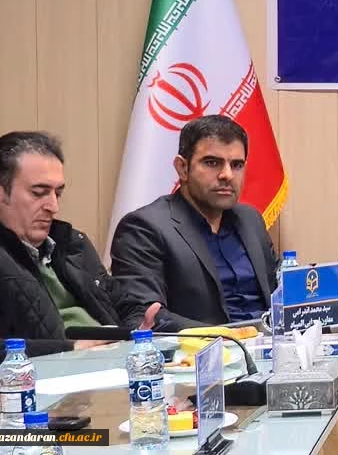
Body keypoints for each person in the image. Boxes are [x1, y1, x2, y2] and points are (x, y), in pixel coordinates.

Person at [0, 132, 160, 373]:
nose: (53, 206)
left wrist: (136, 331)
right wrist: (70, 349)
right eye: (39, 193)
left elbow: (126, 305)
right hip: (46, 384)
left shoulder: (71, 244)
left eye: (57, 193)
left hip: (115, 370)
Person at [110, 116, 280, 330]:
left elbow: (281, 291)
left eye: (237, 165)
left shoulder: (250, 219)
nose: (227, 175)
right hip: (204, 348)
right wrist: (227, 335)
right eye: (212, 163)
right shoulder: (144, 228)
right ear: (182, 168)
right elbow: (143, 315)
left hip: (273, 343)